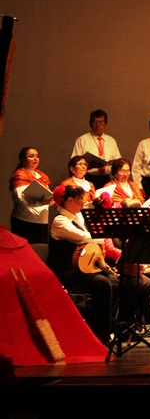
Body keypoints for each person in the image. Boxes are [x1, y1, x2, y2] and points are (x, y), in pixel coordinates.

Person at [47, 184, 118, 343]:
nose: (84, 201)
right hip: (65, 270)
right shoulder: (60, 221)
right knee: (102, 283)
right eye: (80, 198)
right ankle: (101, 335)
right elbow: (84, 237)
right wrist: (108, 234)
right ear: (70, 201)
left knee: (115, 281)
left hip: (81, 267)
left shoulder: (77, 217)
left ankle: (107, 326)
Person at [9, 147, 52, 244]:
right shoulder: (20, 175)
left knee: (40, 249)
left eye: (37, 156)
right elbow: (21, 199)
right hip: (24, 220)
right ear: (23, 159)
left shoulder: (42, 176)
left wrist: (51, 199)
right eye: (31, 156)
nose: (35, 159)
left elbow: (48, 197)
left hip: (42, 221)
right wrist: (40, 203)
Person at [70, 109, 121, 188]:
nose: (98, 125)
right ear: (90, 124)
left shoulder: (111, 141)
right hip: (88, 179)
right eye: (95, 122)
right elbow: (74, 162)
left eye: (101, 122)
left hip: (106, 179)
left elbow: (118, 162)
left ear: (106, 124)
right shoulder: (82, 140)